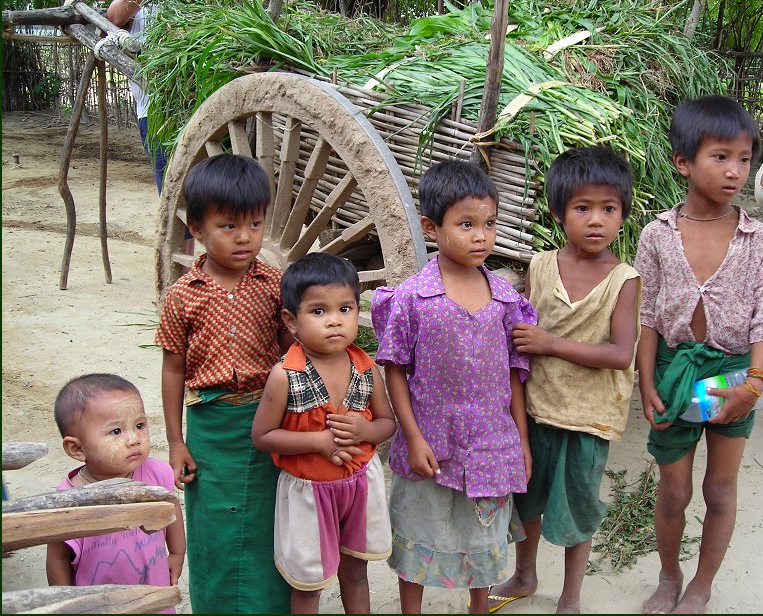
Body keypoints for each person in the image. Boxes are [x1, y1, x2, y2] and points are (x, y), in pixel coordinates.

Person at [634, 96, 763, 614]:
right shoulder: (657, 235)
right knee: (674, 491)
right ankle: (669, 575)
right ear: (683, 162)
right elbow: (648, 317)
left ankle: (701, 586)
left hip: (733, 376)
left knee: (721, 489)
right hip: (675, 373)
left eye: (745, 159)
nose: (735, 171)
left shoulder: (756, 239)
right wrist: (646, 383)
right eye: (721, 157)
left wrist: (753, 385)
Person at [371, 160, 536, 614]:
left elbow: (513, 373)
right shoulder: (412, 298)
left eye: (489, 223)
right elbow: (394, 368)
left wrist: (521, 440)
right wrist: (413, 437)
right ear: (432, 227)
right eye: (466, 225)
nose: (481, 236)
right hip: (431, 444)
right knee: (419, 531)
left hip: (491, 444)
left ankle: (478, 607)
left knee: (483, 539)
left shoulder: (505, 300)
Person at [486, 146, 641, 614]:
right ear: (557, 212)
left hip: (587, 420)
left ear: (622, 215)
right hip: (536, 410)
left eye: (608, 209)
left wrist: (550, 343)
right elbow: (521, 332)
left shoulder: (624, 279)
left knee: (578, 508)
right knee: (527, 499)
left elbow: (620, 354)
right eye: (582, 208)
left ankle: (571, 595)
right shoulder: (540, 266)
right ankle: (525, 575)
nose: (596, 220)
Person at [155, 153, 292, 613]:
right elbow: (173, 369)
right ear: (196, 228)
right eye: (228, 225)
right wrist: (176, 441)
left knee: (268, 523)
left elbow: (292, 351)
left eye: (255, 224)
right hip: (210, 428)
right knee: (212, 526)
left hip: (268, 424)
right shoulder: (181, 296)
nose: (245, 237)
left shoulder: (274, 285)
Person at [251, 252, 396, 614]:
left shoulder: (366, 367)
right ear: (291, 320)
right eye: (318, 311)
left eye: (345, 309)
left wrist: (365, 430)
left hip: (360, 487)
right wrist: (318, 441)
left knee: (356, 571)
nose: (334, 321)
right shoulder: (286, 375)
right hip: (309, 494)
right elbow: (263, 436)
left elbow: (387, 423)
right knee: (309, 584)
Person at [46, 374, 185, 613]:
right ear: (76, 448)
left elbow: (171, 513)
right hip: (99, 605)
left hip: (154, 593)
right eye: (116, 431)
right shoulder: (69, 500)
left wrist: (176, 553)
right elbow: (58, 558)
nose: (134, 440)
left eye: (139, 426)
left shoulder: (157, 473)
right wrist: (67, 604)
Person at [106, 0, 167, 194]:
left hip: (200, 104)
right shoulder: (126, 9)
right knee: (173, 191)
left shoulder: (187, 2)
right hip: (156, 114)